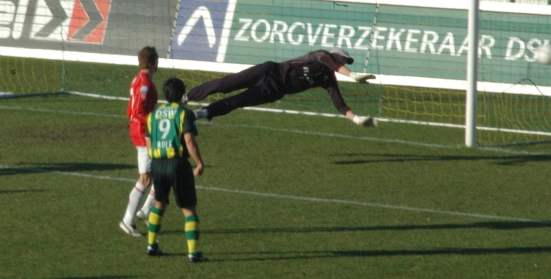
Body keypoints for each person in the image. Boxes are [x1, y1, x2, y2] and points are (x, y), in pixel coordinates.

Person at [185, 48, 378, 126]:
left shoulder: (328, 79)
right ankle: (186, 97)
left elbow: (339, 103)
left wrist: (357, 119)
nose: (343, 62)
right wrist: (352, 75)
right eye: (343, 59)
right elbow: (331, 63)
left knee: (237, 101)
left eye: (346, 61)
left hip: (275, 90)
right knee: (226, 84)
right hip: (270, 71)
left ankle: (201, 113)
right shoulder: (321, 55)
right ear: (335, 55)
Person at [145, 77, 207, 262]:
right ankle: (193, 253)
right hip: (177, 165)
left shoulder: (153, 115)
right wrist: (199, 163)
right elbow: (189, 141)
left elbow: (149, 143)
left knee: (159, 204)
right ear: (182, 94)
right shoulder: (184, 113)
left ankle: (151, 245)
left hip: (157, 163)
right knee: (189, 209)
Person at [120, 46, 159, 237]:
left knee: (156, 172)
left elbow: (131, 110)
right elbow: (136, 111)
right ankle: (128, 220)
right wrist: (152, 121)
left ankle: (145, 211)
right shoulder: (144, 82)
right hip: (144, 134)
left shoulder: (141, 79)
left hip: (144, 131)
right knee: (145, 178)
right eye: (157, 61)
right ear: (152, 63)